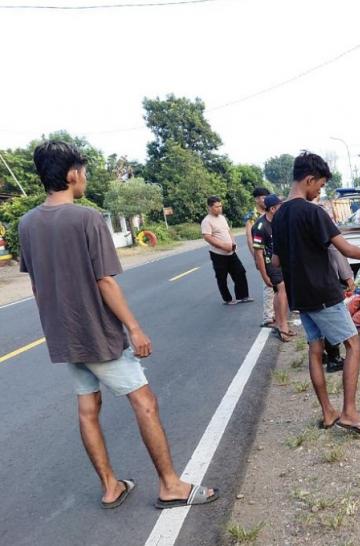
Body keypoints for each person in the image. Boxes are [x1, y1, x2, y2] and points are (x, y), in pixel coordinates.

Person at [18, 140, 218, 510]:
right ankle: (170, 485)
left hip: (63, 335)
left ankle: (111, 486)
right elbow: (104, 281)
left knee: (87, 408)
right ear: (72, 174)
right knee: (145, 402)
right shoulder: (87, 218)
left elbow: (36, 285)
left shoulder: (27, 223)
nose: (86, 178)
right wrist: (134, 328)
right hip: (97, 333)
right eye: (84, 171)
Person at [272, 152, 360, 436]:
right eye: (320, 185)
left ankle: (328, 413)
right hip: (323, 292)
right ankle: (349, 412)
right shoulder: (313, 212)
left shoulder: (279, 216)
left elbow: (275, 262)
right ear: (309, 179)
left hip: (301, 296)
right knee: (354, 346)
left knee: (316, 349)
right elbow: (346, 250)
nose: (320, 191)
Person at [251, 194, 294, 341]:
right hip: (270, 263)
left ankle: (280, 323)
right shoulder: (260, 227)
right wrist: (264, 275)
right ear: (273, 209)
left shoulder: (279, 222)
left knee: (281, 292)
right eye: (280, 206)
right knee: (281, 290)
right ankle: (282, 327)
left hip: (281, 261)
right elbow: (258, 253)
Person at [201, 196, 252, 305]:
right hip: (218, 254)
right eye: (216, 206)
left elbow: (229, 231)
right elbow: (207, 237)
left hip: (231, 252)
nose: (220, 208)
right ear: (209, 207)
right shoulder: (207, 221)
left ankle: (242, 296)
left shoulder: (222, 218)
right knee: (222, 277)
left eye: (220, 206)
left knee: (240, 271)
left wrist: (233, 243)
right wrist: (223, 246)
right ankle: (227, 299)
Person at [323, 245, 356, 373]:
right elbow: (336, 250)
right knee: (332, 321)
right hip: (325, 280)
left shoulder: (289, 225)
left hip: (304, 284)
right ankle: (333, 358)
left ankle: (322, 356)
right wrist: (348, 277)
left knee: (316, 332)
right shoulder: (322, 224)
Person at [246, 187, 275, 326]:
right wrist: (257, 259)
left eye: (265, 197)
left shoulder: (272, 211)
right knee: (268, 285)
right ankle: (268, 316)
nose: (264, 200)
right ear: (256, 199)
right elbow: (249, 238)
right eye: (261, 197)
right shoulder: (252, 215)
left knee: (280, 285)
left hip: (274, 252)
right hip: (262, 253)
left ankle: (277, 313)